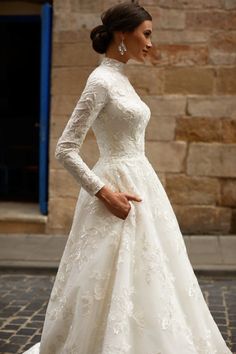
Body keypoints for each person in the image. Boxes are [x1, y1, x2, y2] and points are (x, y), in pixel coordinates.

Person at [23, 1, 233, 353]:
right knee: (110, 276)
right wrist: (103, 192)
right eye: (146, 34)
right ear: (123, 34)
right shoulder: (100, 81)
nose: (151, 43)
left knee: (153, 274)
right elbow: (64, 149)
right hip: (115, 187)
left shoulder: (120, 77)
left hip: (141, 182)